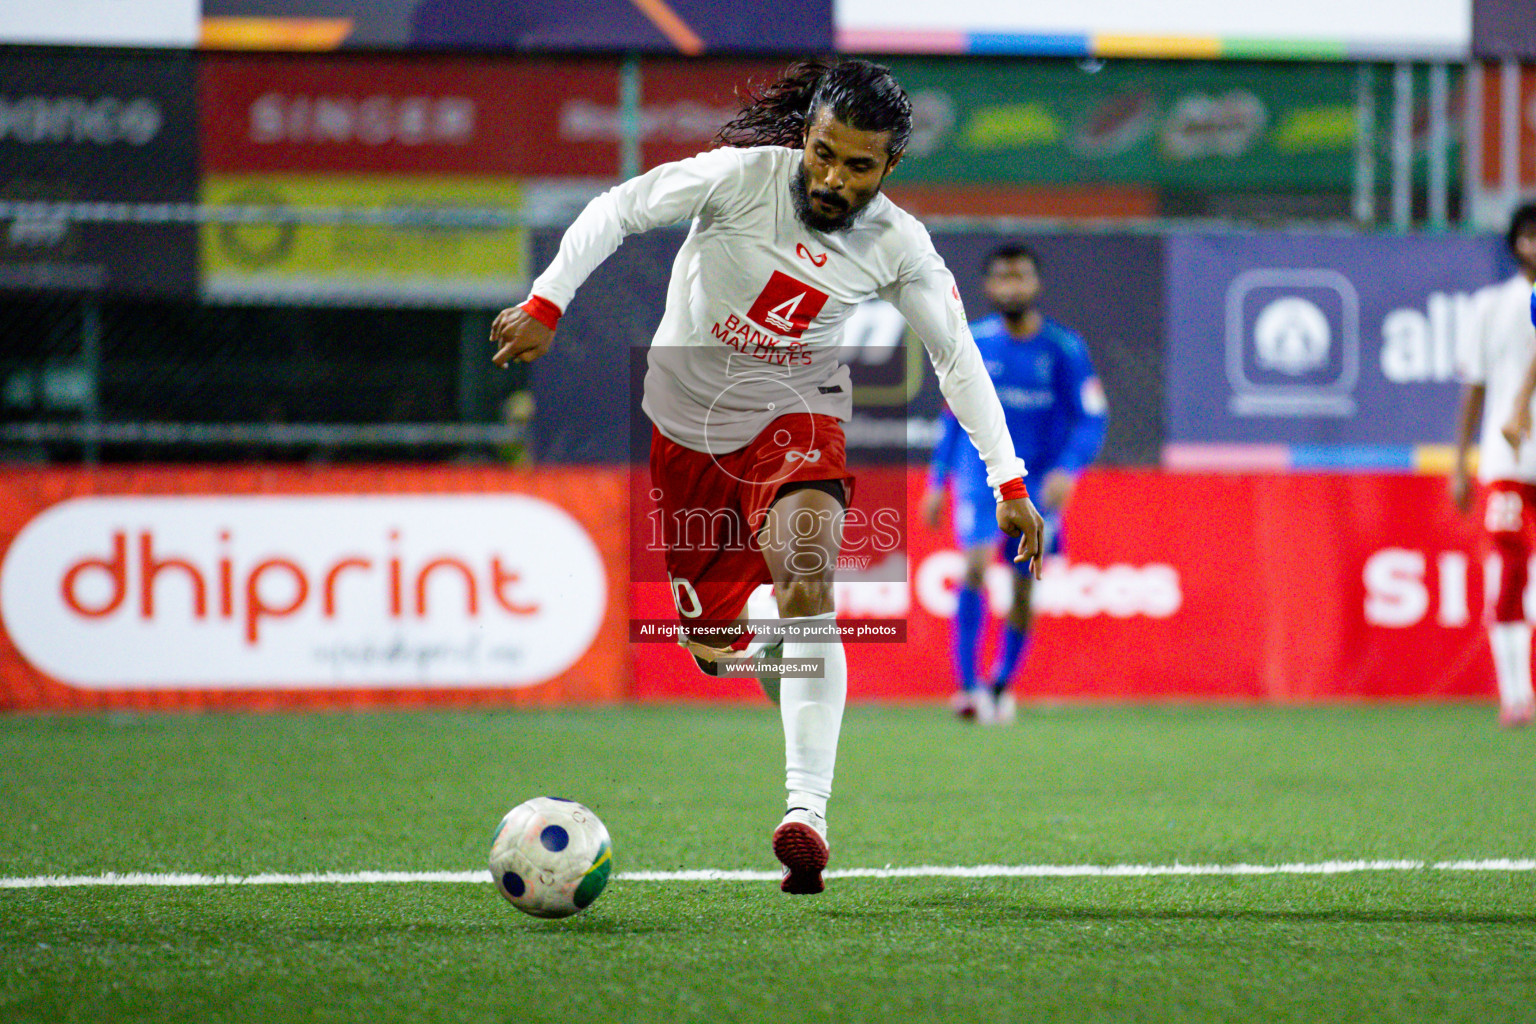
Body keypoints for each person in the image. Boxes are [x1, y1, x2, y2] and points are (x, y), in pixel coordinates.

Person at [488, 59, 1044, 894]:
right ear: (805, 137)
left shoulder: (899, 245)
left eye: (859, 165)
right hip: (686, 433)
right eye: (824, 153)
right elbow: (617, 210)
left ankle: (806, 814)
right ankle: (780, 646)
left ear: (889, 166)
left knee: (808, 578)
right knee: (714, 653)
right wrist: (546, 302)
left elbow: (955, 358)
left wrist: (1008, 483)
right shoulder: (736, 180)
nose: (833, 177)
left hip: (797, 412)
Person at [922, 244, 1108, 725]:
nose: (1012, 287)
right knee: (975, 568)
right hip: (979, 475)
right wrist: (937, 480)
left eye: (1020, 277)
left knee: (1025, 588)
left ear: (1036, 284)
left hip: (1040, 481)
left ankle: (1003, 683)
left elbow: (1090, 419)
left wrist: (1069, 468)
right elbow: (951, 417)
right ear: (987, 286)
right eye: (1002, 278)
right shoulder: (974, 342)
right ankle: (967, 688)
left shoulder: (1065, 349)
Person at [1452, 201, 1536, 728]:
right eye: (1528, 235)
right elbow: (1475, 389)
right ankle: (1515, 693)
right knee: (1506, 573)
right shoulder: (1492, 306)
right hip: (1508, 459)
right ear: (1514, 242)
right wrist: (1461, 464)